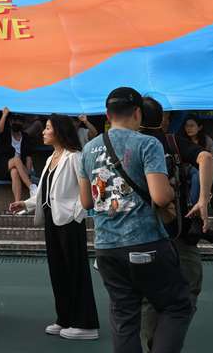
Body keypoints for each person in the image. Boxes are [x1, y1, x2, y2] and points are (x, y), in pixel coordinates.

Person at [77, 87, 192, 353]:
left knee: (124, 316)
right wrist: (171, 190)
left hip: (106, 248)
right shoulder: (147, 143)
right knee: (176, 305)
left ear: (107, 114)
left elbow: (86, 202)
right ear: (138, 112)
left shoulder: (89, 149)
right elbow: (161, 197)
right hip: (146, 242)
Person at [9, 115, 99, 340]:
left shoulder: (75, 157)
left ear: (59, 131)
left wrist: (76, 213)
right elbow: (44, 192)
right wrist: (26, 204)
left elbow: (86, 191)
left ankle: (86, 324)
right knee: (58, 270)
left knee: (76, 270)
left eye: (47, 128)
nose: (43, 132)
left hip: (69, 221)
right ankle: (65, 318)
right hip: (52, 219)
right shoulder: (52, 158)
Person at [138, 97, 213, 353]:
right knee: (189, 286)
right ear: (163, 119)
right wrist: (203, 198)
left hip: (142, 233)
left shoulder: (130, 145)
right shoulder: (172, 142)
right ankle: (165, 342)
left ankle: (152, 343)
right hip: (178, 230)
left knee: (149, 297)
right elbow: (206, 157)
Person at [0, 107, 38, 203]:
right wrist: (4, 115)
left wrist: (28, 172)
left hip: (19, 169)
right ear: (10, 122)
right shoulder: (6, 134)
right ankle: (32, 188)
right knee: (16, 159)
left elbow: (28, 156)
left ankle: (17, 203)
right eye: (14, 120)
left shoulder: (25, 137)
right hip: (2, 167)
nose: (16, 123)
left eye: (19, 121)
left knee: (14, 172)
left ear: (23, 123)